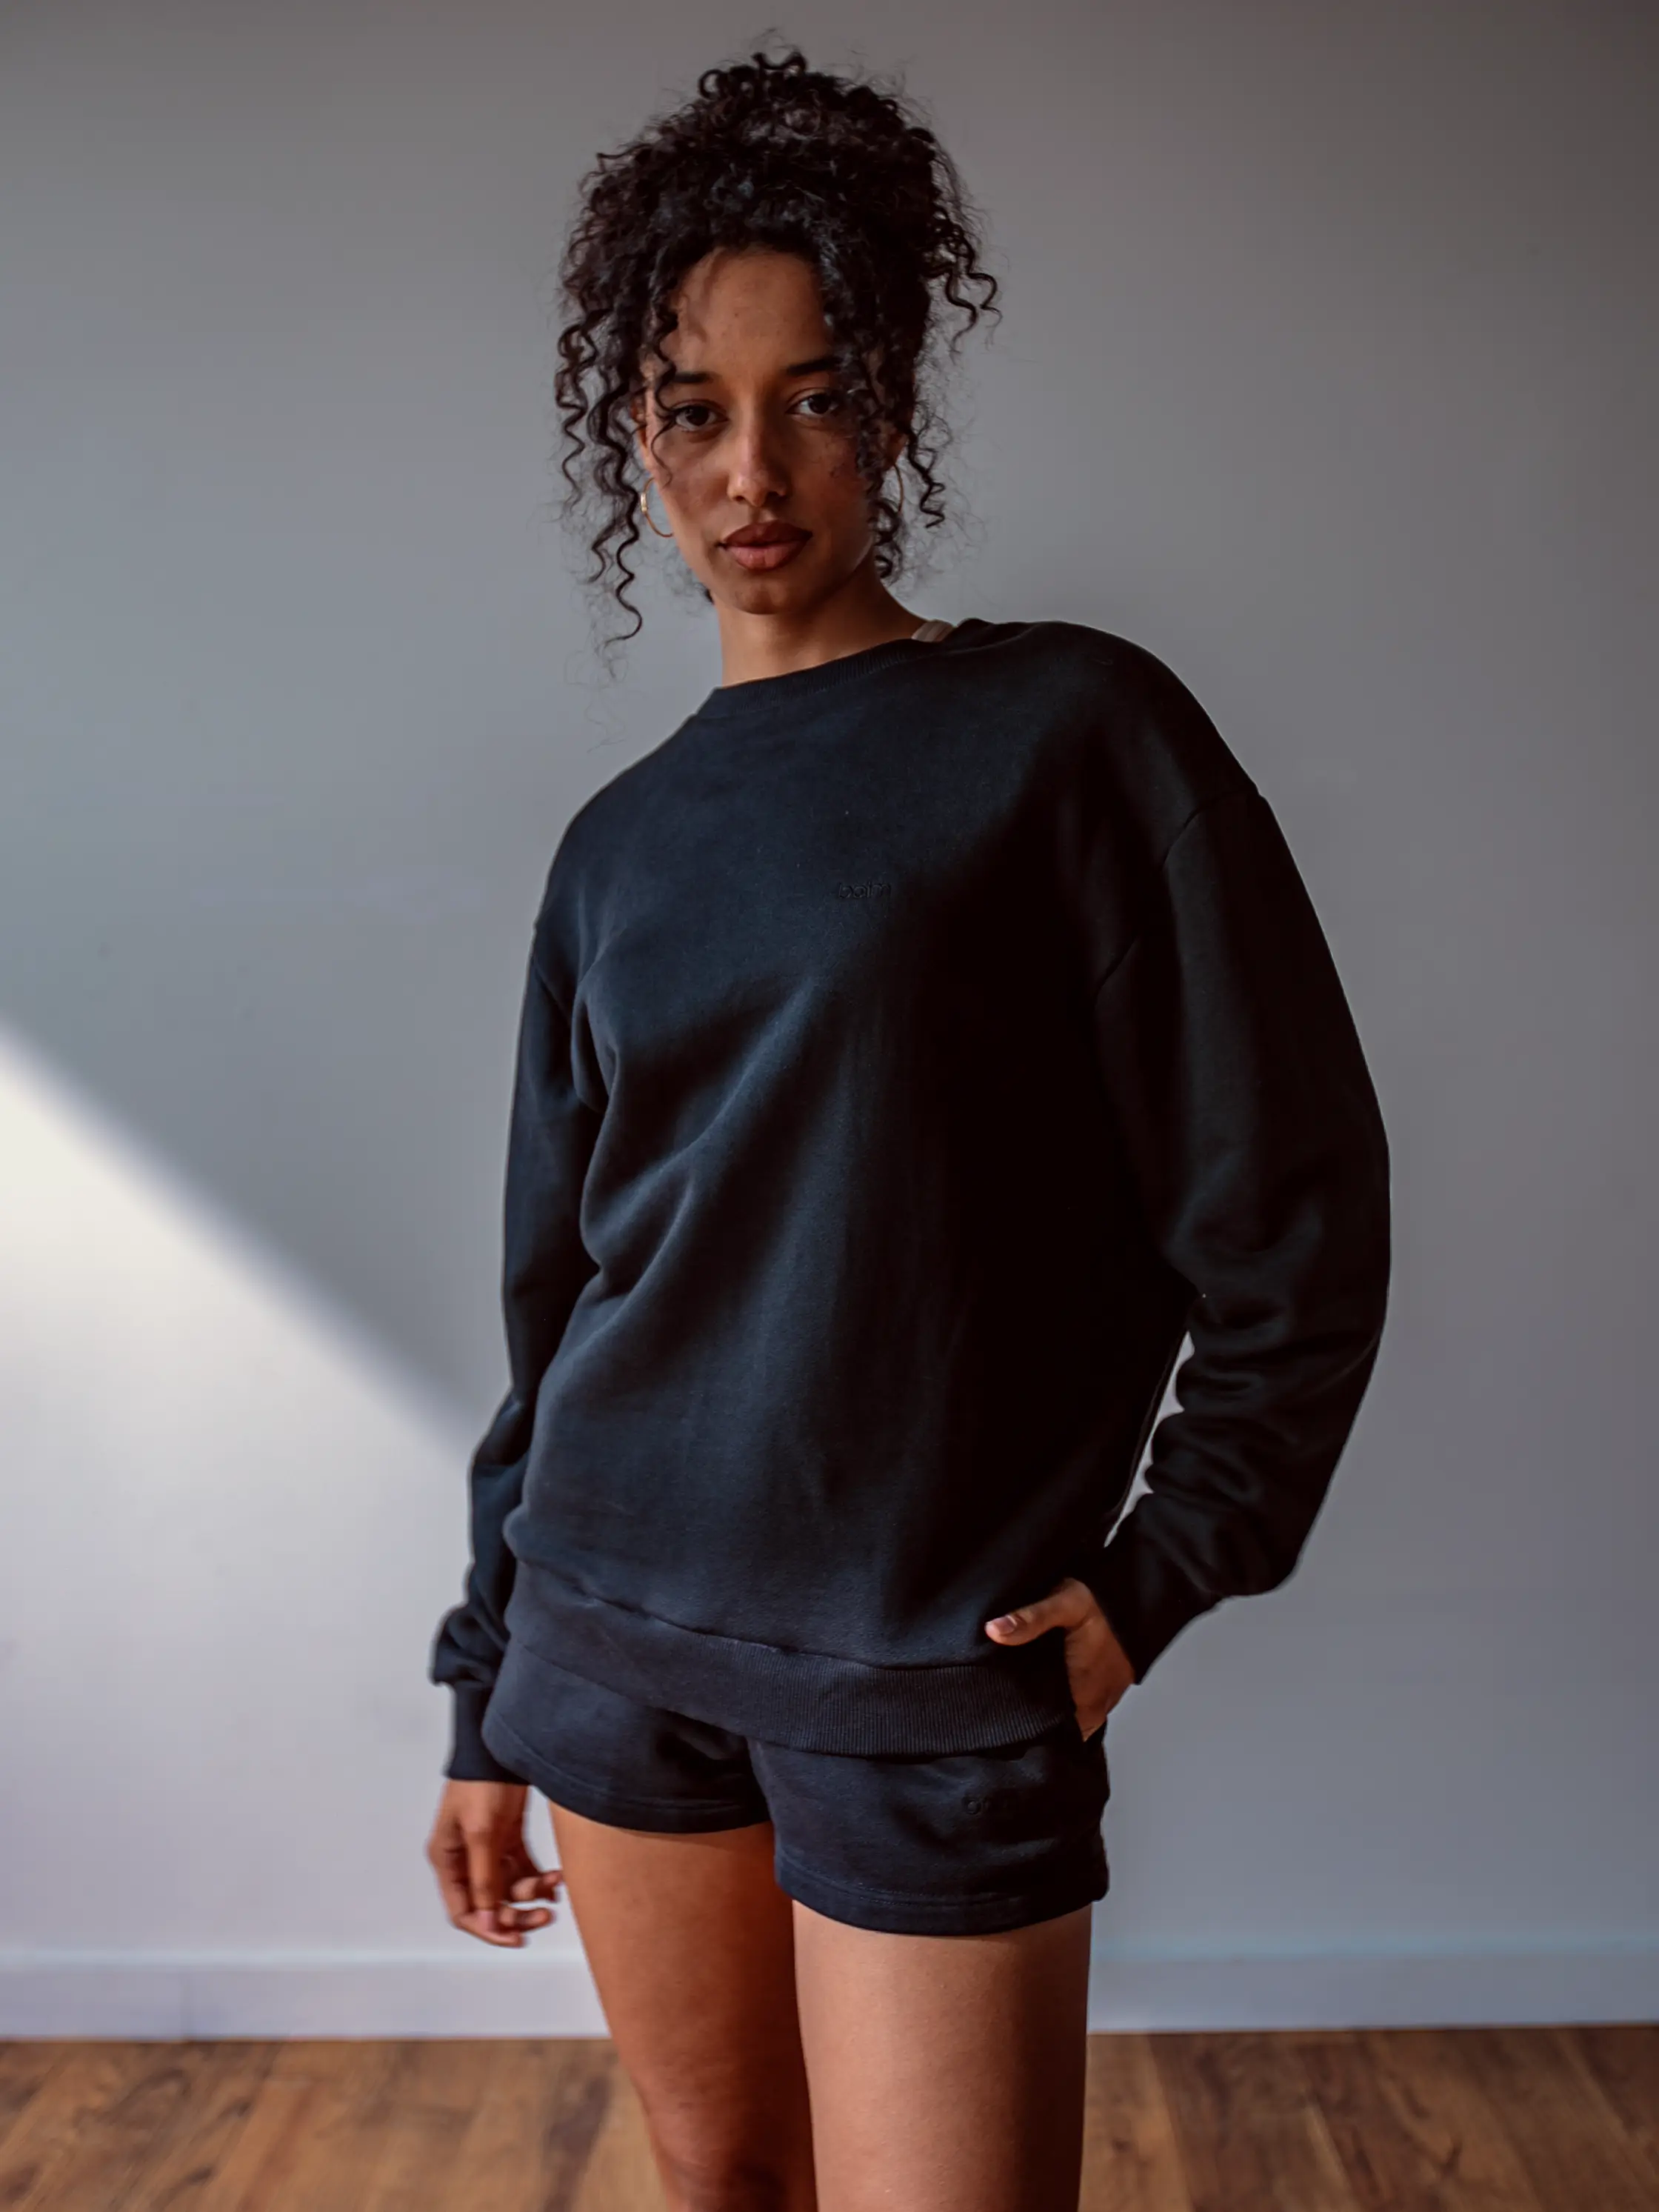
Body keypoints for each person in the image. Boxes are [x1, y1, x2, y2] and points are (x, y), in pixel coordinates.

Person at [424, 43, 1391, 2212]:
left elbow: (1296, 1212)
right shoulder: (618, 846)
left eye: (819, 393)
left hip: (923, 1677)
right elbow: (558, 1293)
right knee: (727, 2195)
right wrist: (489, 1687)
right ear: (634, 437)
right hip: (606, 1645)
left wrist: (1160, 1574)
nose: (751, 466)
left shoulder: (1069, 737)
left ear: (899, 409)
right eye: (694, 408)